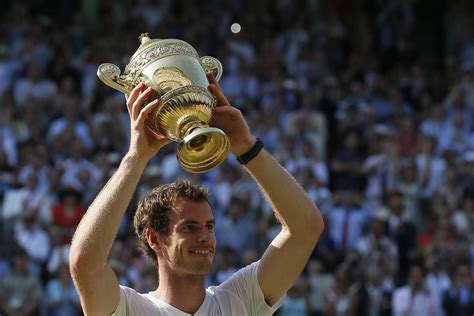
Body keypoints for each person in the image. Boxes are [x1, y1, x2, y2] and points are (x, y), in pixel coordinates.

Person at [69, 73, 324, 315]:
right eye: (190, 227)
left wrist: (246, 146)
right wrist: (135, 158)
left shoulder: (240, 299)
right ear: (154, 239)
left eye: (210, 226)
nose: (205, 237)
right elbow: (84, 262)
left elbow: (306, 228)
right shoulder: (130, 309)